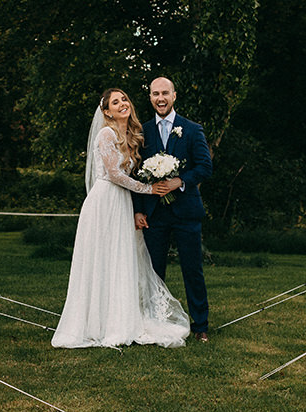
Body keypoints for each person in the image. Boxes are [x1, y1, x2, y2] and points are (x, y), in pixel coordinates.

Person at [51, 88, 191, 348]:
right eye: (116, 102)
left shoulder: (131, 135)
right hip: (105, 201)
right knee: (102, 259)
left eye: (124, 99)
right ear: (107, 112)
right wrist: (150, 189)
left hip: (122, 203)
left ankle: (119, 319)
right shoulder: (106, 133)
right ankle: (97, 324)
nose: (122, 104)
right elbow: (114, 174)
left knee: (121, 259)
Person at [133, 77, 213, 342]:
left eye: (165, 93)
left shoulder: (191, 129)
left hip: (186, 212)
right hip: (154, 214)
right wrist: (138, 210)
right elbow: (134, 174)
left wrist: (180, 181)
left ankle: (200, 324)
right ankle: (156, 323)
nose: (160, 98)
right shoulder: (142, 132)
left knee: (192, 269)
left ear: (174, 96)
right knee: (154, 272)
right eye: (155, 94)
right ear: (151, 98)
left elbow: (205, 167)